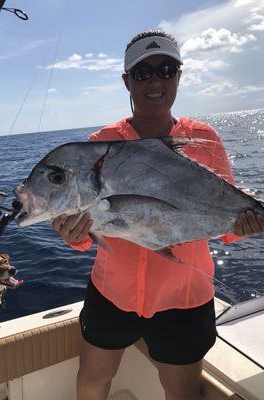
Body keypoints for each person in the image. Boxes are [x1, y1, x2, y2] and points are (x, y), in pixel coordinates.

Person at [52, 30, 264, 400]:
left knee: (180, 391)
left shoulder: (205, 138)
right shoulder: (101, 145)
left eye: (166, 70)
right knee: (92, 378)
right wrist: (74, 236)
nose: (155, 81)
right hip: (111, 293)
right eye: (142, 73)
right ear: (126, 81)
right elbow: (88, 228)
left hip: (183, 297)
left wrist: (247, 224)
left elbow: (228, 220)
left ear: (179, 76)